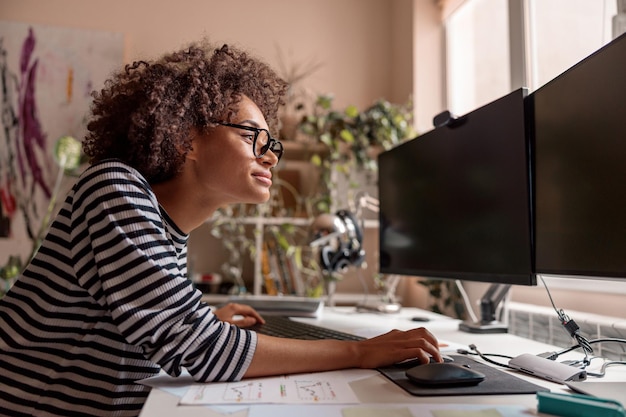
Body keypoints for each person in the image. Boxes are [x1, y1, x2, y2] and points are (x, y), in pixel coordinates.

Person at [0, 39, 442, 417]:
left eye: (272, 145)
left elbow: (143, 323)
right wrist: (361, 351)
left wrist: (203, 319)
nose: (269, 156)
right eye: (252, 136)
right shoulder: (114, 188)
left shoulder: (166, 226)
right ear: (186, 138)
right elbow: (202, 350)